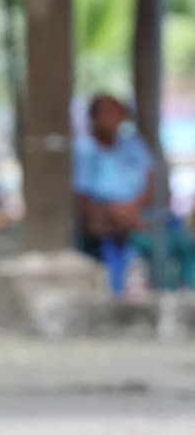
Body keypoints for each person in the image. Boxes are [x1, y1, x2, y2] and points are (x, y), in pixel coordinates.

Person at [72, 94, 154, 295]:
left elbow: (150, 180)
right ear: (93, 117)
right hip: (102, 215)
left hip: (135, 212)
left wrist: (130, 209)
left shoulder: (132, 144)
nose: (111, 118)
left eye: (115, 112)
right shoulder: (84, 149)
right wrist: (115, 211)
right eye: (105, 112)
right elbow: (81, 194)